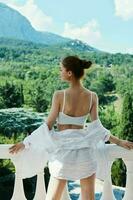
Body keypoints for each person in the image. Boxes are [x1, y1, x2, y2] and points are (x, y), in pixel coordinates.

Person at [9, 55, 133, 200]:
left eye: (61, 69)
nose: (59, 72)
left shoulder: (59, 95)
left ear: (69, 73)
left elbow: (47, 125)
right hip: (85, 154)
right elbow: (97, 128)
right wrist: (119, 142)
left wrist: (25, 142)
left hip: (63, 154)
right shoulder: (92, 96)